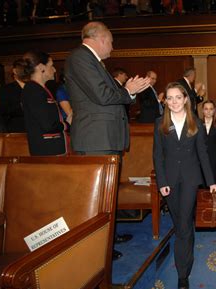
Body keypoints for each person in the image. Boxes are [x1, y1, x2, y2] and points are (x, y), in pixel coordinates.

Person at [65, 21, 151, 260]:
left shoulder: (95, 62)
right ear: (100, 38)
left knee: (107, 195)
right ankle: (97, 247)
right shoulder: (80, 58)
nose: (113, 47)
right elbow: (103, 95)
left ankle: (108, 238)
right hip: (95, 139)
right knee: (97, 198)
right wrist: (128, 90)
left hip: (105, 137)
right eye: (112, 41)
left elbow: (110, 94)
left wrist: (127, 90)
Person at [153, 82, 216, 289]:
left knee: (183, 221)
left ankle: (183, 273)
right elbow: (158, 156)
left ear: (185, 99)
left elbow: (202, 154)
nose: (173, 102)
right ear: (165, 102)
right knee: (181, 222)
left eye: (177, 97)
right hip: (169, 182)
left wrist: (211, 181)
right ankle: (186, 252)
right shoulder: (159, 124)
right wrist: (161, 183)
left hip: (190, 179)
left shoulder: (195, 123)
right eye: (169, 98)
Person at [21, 51, 68, 156]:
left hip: (52, 149)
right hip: (47, 151)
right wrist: (65, 125)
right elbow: (47, 124)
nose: (54, 70)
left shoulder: (40, 89)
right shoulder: (33, 90)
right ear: (41, 67)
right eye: (51, 66)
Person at [0, 59, 27, 133]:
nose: (26, 72)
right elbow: (4, 110)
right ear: (15, 71)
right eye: (23, 69)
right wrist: (21, 105)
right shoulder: (6, 89)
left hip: (36, 128)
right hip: (17, 129)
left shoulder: (33, 87)